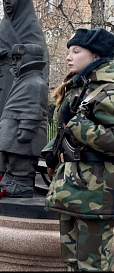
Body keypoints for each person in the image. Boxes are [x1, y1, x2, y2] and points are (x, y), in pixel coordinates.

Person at [44, 27, 114, 271]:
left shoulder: (109, 90)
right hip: (73, 189)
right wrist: (53, 153)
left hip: (98, 195)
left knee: (93, 266)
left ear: (96, 56)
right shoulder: (79, 87)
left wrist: (78, 124)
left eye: (76, 51)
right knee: (73, 262)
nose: (68, 56)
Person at [0, 0, 49, 175]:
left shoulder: (30, 26)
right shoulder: (2, 28)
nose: (7, 2)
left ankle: (14, 177)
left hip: (17, 90)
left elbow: (40, 61)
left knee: (13, 134)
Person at [0, 44, 48, 198]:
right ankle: (11, 180)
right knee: (12, 162)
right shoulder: (22, 81)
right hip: (12, 133)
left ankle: (22, 184)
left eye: (18, 59)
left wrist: (27, 129)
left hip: (22, 136)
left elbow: (34, 108)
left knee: (21, 163)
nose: (13, 63)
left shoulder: (36, 83)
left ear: (29, 60)